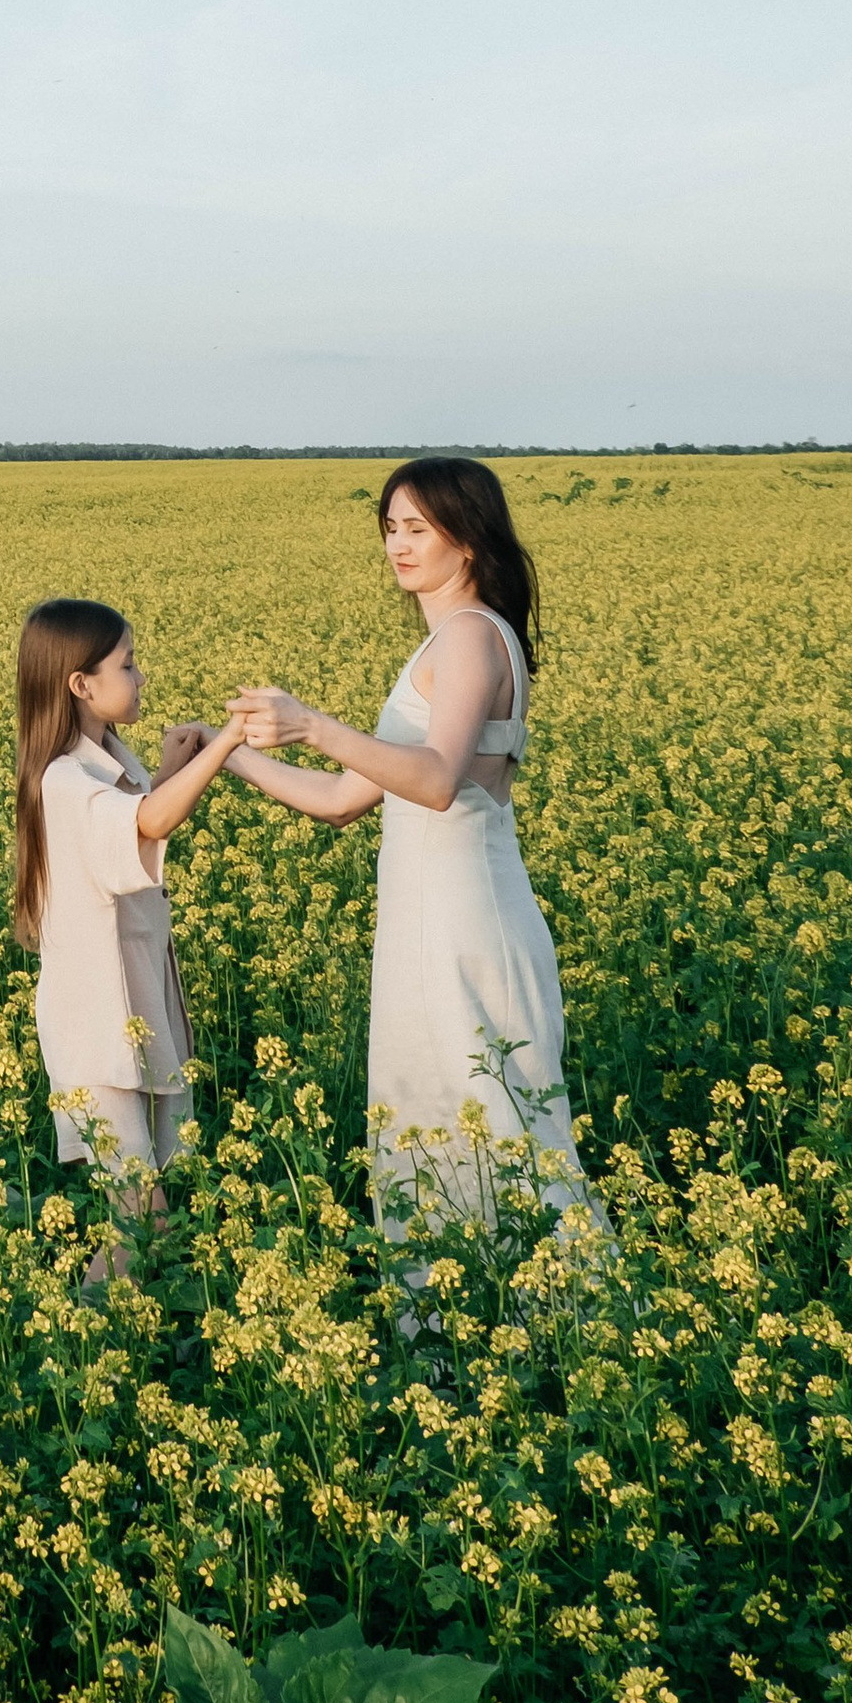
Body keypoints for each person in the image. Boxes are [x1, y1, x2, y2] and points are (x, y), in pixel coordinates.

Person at [224, 456, 598, 1236]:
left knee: (487, 1130)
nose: (398, 544)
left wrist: (313, 725)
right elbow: (342, 801)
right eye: (391, 527)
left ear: (468, 540)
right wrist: (223, 754)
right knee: (456, 1124)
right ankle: (474, 1301)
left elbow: (433, 781)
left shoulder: (468, 638)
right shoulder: (460, 639)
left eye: (418, 529)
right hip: (436, 920)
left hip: (457, 924)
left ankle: (521, 1300)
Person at [13, 596, 246, 1243]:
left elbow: (134, 825)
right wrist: (227, 743)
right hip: (96, 1031)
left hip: (133, 1016)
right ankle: (90, 1311)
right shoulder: (63, 781)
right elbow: (150, 822)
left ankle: (113, 1309)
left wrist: (172, 767)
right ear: (81, 685)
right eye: (128, 664)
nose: (142, 677)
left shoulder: (108, 762)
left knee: (146, 1221)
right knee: (143, 1219)